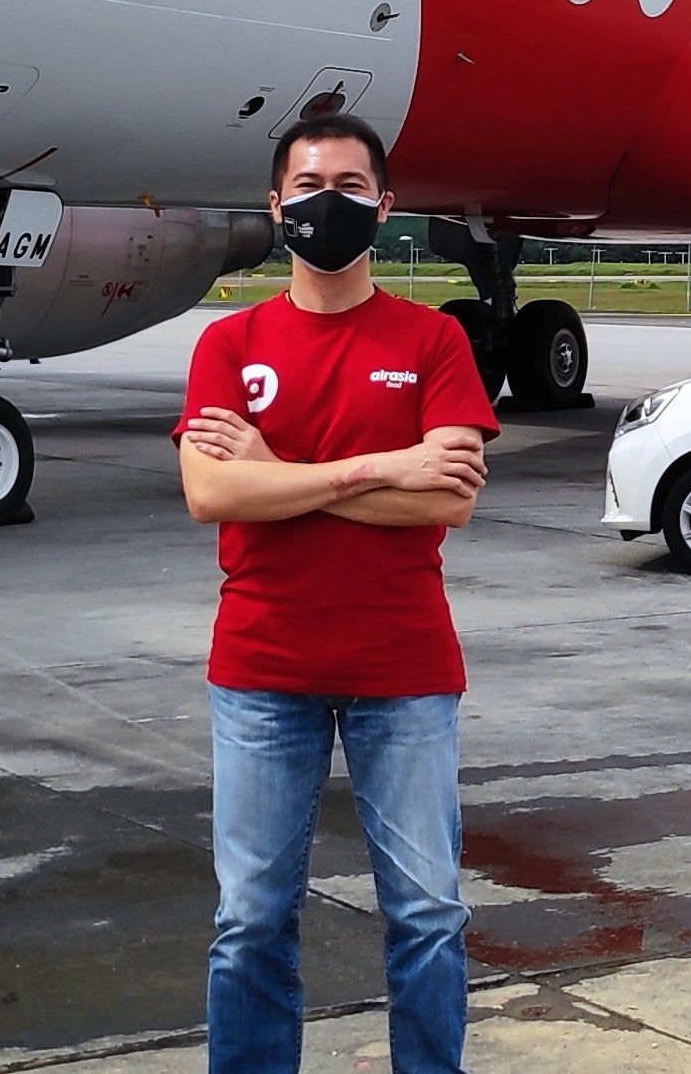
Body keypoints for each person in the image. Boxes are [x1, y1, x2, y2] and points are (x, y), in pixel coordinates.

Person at [175, 112, 498, 1074]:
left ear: (385, 207)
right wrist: (382, 466)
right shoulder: (229, 345)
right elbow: (212, 492)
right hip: (262, 670)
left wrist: (286, 472)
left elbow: (448, 503)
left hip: (404, 672)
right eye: (310, 186)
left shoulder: (433, 339)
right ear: (277, 206)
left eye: (352, 187)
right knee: (251, 920)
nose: (330, 203)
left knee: (429, 915)